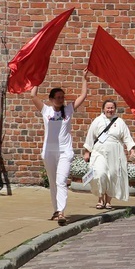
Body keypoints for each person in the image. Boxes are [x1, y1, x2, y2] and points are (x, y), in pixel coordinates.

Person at [30, 69, 89, 226]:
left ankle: (62, 211)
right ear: (51, 99)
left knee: (61, 180)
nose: (61, 100)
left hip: (65, 151)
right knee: (53, 181)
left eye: (62, 97)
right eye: (58, 97)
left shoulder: (68, 110)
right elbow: (32, 96)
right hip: (49, 151)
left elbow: (83, 96)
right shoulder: (46, 111)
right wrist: (37, 78)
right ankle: (56, 210)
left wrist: (84, 78)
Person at [83, 99, 135, 209]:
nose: (110, 110)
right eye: (108, 108)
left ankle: (108, 201)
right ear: (103, 109)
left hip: (115, 152)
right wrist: (87, 152)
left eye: (112, 108)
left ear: (115, 109)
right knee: (100, 173)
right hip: (99, 152)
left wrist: (131, 150)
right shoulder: (97, 121)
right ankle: (100, 198)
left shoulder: (120, 122)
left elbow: (127, 137)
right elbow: (90, 137)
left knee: (113, 175)